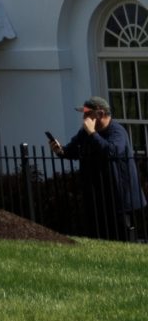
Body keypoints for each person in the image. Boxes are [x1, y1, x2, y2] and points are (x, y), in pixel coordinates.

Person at [49, 96, 145, 242]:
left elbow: (110, 152)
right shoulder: (85, 133)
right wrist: (60, 150)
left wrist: (93, 133)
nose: (84, 117)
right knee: (99, 237)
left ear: (99, 114)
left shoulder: (117, 132)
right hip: (98, 197)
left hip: (119, 199)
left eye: (87, 114)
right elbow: (72, 150)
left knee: (122, 238)